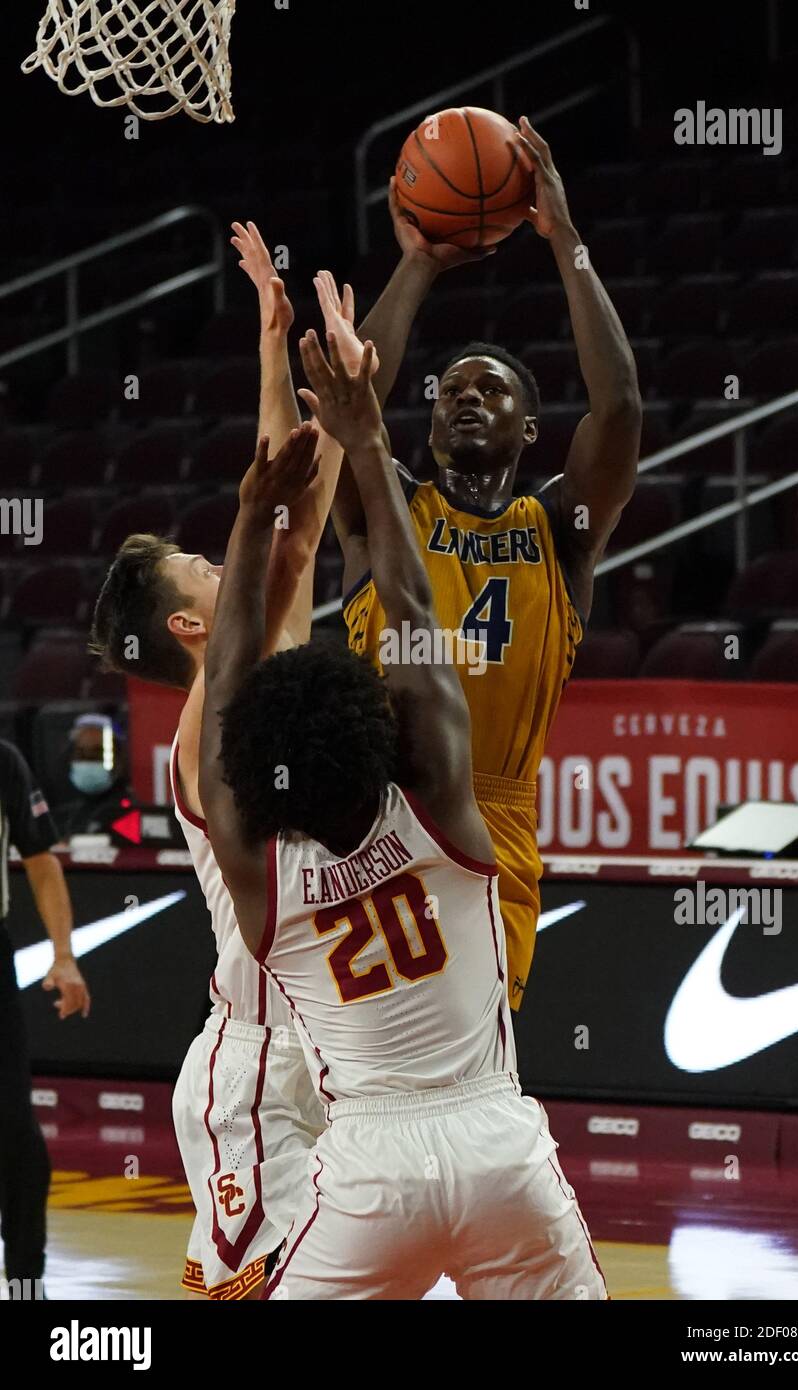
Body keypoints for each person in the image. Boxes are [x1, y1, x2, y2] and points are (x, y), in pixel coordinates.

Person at [197, 324, 606, 1301]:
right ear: (386, 736)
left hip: (369, 1176)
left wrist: (255, 522)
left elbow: (222, 702)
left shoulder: (262, 879)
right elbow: (415, 620)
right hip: (500, 1152)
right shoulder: (448, 829)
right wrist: (361, 449)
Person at [326, 117, 641, 1015]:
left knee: (475, 1067)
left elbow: (617, 411)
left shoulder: (562, 532)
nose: (466, 396)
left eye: (491, 388)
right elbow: (350, 405)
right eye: (451, 389)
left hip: (495, 814)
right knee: (365, 1071)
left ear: (530, 431)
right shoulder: (382, 515)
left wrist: (566, 241)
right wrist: (420, 262)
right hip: (371, 810)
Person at [89, 223, 345, 1300]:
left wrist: (276, 350)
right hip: (254, 1065)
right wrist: (294, 377)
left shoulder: (259, 657)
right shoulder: (209, 715)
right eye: (199, 566)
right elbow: (280, 520)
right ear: (193, 629)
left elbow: (293, 509)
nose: (217, 559)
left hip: (318, 1046)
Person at [0, 739, 90, 1297]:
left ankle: (26, 1286)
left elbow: (40, 861)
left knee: (16, 1138)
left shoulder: (4, 762)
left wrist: (64, 955)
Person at [51, 713, 137, 841]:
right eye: (81, 755)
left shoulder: (130, 814)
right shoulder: (62, 818)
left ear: (118, 759)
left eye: (97, 755)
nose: (88, 763)